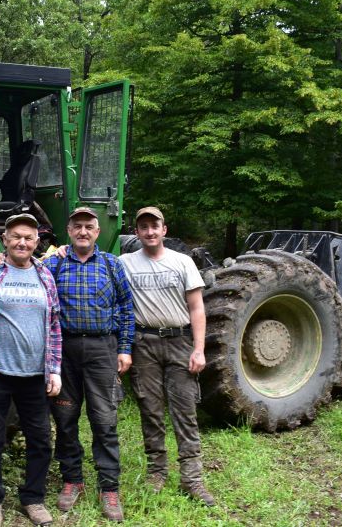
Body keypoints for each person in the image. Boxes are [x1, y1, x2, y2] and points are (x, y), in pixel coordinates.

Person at [0, 213, 62, 527]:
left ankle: (33, 498)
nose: (22, 242)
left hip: (35, 376)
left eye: (28, 238)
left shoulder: (45, 276)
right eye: (16, 236)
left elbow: (55, 324)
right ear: (5, 239)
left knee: (41, 440)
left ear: (36, 242)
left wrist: (55, 369)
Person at [43, 206, 135, 522]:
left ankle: (108, 487)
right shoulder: (54, 264)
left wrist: (124, 349)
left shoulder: (111, 264)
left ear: (98, 232)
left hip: (102, 350)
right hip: (65, 350)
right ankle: (72, 481)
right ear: (69, 231)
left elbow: (126, 307)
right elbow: (24, 264)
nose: (83, 231)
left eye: (89, 227)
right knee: (65, 419)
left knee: (104, 420)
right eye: (77, 226)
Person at [119, 206, 216, 507]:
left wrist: (199, 349)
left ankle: (192, 478)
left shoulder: (183, 262)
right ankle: (157, 472)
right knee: (150, 408)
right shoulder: (124, 263)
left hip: (179, 341)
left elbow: (197, 308)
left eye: (154, 226)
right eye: (143, 226)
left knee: (184, 409)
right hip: (143, 341)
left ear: (164, 230)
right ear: (136, 232)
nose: (149, 231)